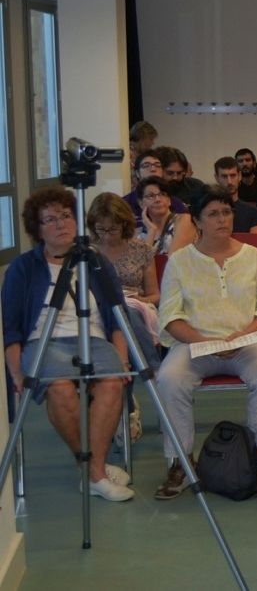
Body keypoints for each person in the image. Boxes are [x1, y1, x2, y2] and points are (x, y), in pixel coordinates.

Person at [153, 186, 257, 499]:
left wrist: (245, 334)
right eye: (212, 214)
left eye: (226, 212)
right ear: (197, 221)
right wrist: (205, 341)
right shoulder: (180, 262)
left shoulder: (253, 256)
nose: (222, 219)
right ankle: (181, 463)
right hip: (193, 343)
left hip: (245, 343)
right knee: (169, 378)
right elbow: (170, 316)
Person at [3, 187, 135, 501]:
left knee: (113, 383)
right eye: (50, 220)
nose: (61, 224)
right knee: (59, 387)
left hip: (93, 338)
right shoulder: (23, 268)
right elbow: (10, 328)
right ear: (37, 230)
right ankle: (96, 471)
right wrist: (16, 373)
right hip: (44, 341)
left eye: (65, 216)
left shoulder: (95, 261)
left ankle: (94, 472)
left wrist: (124, 359)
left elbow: (118, 317)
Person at [88, 193, 161, 363]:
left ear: (124, 224)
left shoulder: (141, 249)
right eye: (101, 229)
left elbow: (155, 295)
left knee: (125, 310)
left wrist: (141, 299)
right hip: (98, 303)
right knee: (119, 309)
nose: (106, 235)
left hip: (135, 303)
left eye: (113, 229)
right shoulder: (88, 251)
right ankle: (150, 364)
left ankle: (147, 363)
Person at [124, 150, 187, 226]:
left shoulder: (175, 202)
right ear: (137, 173)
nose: (153, 169)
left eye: (157, 165)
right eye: (146, 165)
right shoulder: (124, 203)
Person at [136, 175, 197, 255]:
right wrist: (151, 231)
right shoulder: (138, 234)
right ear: (141, 203)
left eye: (162, 194)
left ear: (169, 201)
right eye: (151, 196)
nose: (158, 199)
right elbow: (140, 266)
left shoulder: (184, 220)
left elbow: (173, 262)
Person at [213, 156, 257, 234]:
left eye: (233, 175)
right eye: (224, 176)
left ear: (239, 176)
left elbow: (256, 243)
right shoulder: (208, 211)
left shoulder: (252, 212)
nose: (229, 181)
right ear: (216, 178)